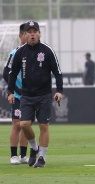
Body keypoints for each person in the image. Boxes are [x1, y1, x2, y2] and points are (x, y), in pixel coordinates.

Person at [7, 20, 63, 168]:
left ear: (39, 33)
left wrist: (59, 91)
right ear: (25, 35)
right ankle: (34, 147)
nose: (32, 34)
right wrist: (10, 92)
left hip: (44, 95)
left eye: (34, 32)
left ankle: (42, 158)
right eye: (29, 32)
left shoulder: (47, 50)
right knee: (24, 124)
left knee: (43, 126)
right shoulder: (20, 52)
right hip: (26, 95)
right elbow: (12, 74)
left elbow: (57, 72)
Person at [2, 23, 29, 165]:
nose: (30, 35)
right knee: (17, 124)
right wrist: (14, 90)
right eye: (26, 33)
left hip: (31, 95)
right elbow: (6, 73)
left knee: (26, 124)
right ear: (21, 35)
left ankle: (23, 155)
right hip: (18, 95)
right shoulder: (15, 53)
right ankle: (13, 155)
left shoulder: (34, 53)